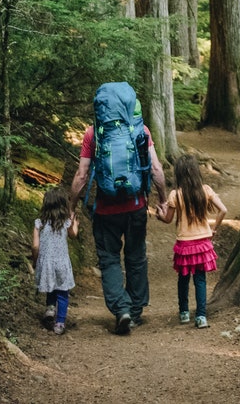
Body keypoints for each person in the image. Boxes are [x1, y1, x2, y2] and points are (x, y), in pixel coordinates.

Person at [70, 89, 168, 335]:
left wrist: (71, 207)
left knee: (110, 259)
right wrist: (164, 199)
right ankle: (135, 312)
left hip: (105, 210)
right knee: (136, 257)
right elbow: (156, 168)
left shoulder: (94, 133)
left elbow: (82, 176)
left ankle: (121, 309)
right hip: (135, 207)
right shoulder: (140, 130)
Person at [154, 154, 228, 328]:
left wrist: (159, 215)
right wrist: (213, 229)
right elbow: (223, 210)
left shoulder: (175, 195)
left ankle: (184, 313)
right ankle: (201, 316)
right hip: (203, 242)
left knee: (183, 278)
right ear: (196, 172)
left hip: (184, 244)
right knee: (200, 279)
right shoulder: (206, 190)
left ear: (179, 174)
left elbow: (167, 219)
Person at [31, 187, 78, 335]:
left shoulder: (39, 223)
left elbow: (35, 245)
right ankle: (60, 323)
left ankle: (50, 309)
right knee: (62, 293)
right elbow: (73, 235)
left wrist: (35, 260)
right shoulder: (65, 223)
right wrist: (75, 223)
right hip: (62, 262)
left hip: (46, 262)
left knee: (51, 287)